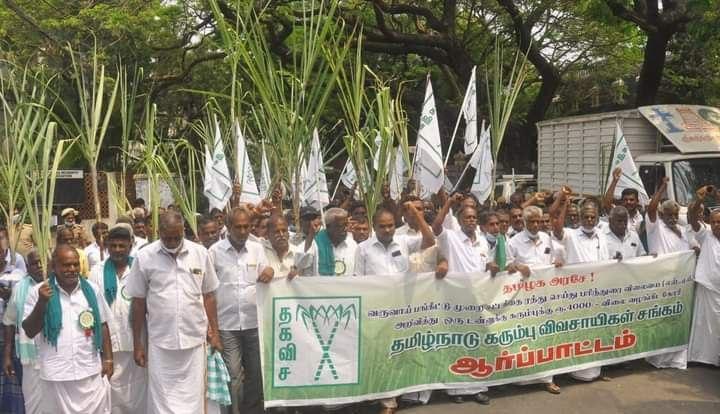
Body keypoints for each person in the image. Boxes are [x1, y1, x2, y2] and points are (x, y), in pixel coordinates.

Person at [126, 211, 222, 413]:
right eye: (166, 238)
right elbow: (138, 303)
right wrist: (138, 344)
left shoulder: (200, 253)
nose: (171, 242)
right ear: (159, 232)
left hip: (194, 341)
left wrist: (216, 333)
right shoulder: (144, 257)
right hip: (160, 342)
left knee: (195, 396)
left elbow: (209, 296)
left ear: (183, 231)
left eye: (176, 237)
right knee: (161, 398)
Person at [354, 206, 434, 414]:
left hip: (403, 310)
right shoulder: (363, 248)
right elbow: (357, 281)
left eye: (391, 225)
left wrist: (417, 215)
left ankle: (403, 392)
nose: (388, 230)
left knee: (402, 352)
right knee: (382, 355)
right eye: (382, 226)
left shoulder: (405, 241)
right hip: (378, 311)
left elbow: (430, 241)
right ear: (374, 226)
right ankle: (388, 401)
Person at [23, 244, 113, 413]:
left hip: (89, 372)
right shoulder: (37, 292)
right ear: (54, 266)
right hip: (56, 375)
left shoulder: (92, 290)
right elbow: (29, 330)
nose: (72, 269)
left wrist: (108, 359)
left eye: (75, 264)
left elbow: (102, 324)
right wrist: (42, 303)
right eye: (66, 265)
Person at [209, 208, 274, 414]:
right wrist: (213, 330)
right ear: (228, 227)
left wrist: (270, 271)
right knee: (234, 375)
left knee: (255, 374)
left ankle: (253, 411)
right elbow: (208, 290)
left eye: (246, 226)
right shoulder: (214, 252)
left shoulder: (257, 249)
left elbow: (268, 271)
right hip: (227, 326)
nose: (243, 231)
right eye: (238, 227)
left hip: (254, 323)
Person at [433, 194, 493, 405]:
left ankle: (477, 388)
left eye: (474, 218)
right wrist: (448, 202)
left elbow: (485, 264)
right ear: (459, 220)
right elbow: (436, 227)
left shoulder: (483, 241)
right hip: (456, 300)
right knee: (457, 344)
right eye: (467, 218)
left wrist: (491, 267)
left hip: (478, 301)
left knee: (477, 344)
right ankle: (455, 389)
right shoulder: (450, 237)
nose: (471, 221)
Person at [551, 186, 610, 382]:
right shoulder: (571, 234)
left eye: (593, 217)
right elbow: (557, 227)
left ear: (597, 218)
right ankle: (574, 371)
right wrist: (565, 202)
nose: (589, 220)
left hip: (597, 292)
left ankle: (595, 371)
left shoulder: (602, 235)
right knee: (578, 332)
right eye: (586, 217)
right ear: (580, 218)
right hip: (576, 294)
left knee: (595, 331)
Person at [89, 224, 148, 413]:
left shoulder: (141, 268)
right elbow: (94, 310)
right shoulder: (96, 272)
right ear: (106, 246)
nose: (117, 250)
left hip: (137, 343)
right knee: (112, 393)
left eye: (122, 246)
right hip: (110, 346)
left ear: (130, 246)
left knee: (139, 391)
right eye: (113, 246)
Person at [504, 206, 560, 393]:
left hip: (545, 296)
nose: (536, 225)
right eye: (532, 222)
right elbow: (507, 265)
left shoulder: (547, 238)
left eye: (538, 221)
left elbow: (554, 260)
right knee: (525, 335)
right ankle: (521, 379)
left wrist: (557, 264)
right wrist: (517, 266)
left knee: (545, 335)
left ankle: (547, 379)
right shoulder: (514, 241)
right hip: (523, 299)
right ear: (525, 223)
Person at [644, 177, 692, 370]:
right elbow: (651, 209)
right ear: (662, 215)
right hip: (661, 284)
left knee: (678, 320)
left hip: (681, 286)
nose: (672, 218)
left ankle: (677, 358)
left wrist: (694, 250)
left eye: (675, 214)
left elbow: (692, 249)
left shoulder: (682, 229)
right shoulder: (655, 227)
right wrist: (662, 187)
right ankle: (658, 358)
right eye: (668, 215)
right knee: (661, 319)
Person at [3, 250, 44, 413]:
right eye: (35, 264)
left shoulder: (57, 283)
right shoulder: (20, 288)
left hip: (56, 357)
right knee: (33, 405)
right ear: (27, 267)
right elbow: (9, 321)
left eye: (42, 262)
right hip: (30, 359)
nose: (40, 267)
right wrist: (7, 355)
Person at [687, 186, 720, 366]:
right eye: (714, 222)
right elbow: (692, 218)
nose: (716, 225)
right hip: (709, 290)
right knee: (706, 327)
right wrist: (699, 200)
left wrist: (716, 195)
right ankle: (705, 359)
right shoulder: (705, 236)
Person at [298, 208, 357, 277]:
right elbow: (300, 265)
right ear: (328, 226)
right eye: (341, 226)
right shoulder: (314, 244)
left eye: (346, 224)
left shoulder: (352, 245)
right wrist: (310, 236)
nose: (346, 228)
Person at [603, 167, 644, 232]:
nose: (628, 202)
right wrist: (614, 181)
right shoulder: (616, 214)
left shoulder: (640, 218)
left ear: (637, 201)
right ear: (621, 201)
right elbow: (607, 203)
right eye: (625, 200)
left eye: (631, 200)